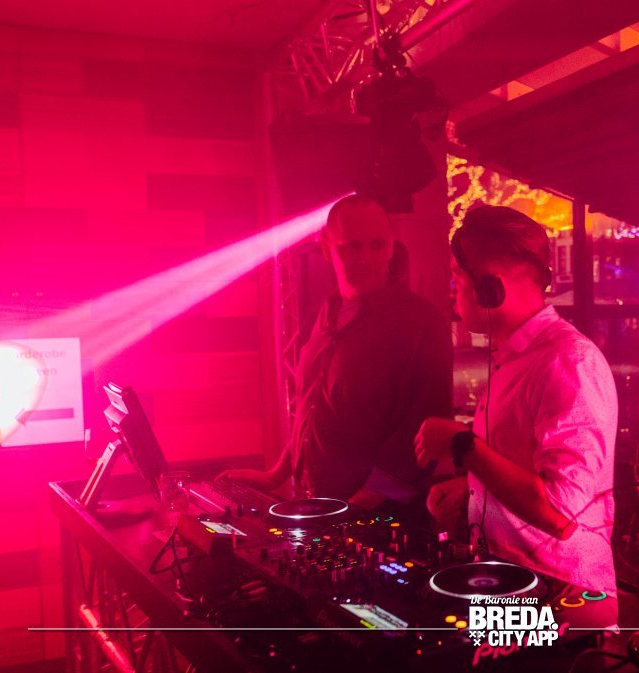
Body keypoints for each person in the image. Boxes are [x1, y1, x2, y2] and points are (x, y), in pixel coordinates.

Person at [414, 205, 619, 603]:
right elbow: (527, 468)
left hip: (564, 601)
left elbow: (562, 514)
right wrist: (474, 489)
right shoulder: (519, 358)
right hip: (519, 586)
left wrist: (462, 445)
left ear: (490, 288)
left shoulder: (569, 362)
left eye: (457, 278)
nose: (452, 292)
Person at [223, 194, 452, 511]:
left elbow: (423, 428)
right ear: (326, 248)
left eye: (377, 245)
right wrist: (276, 474)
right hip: (325, 506)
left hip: (380, 517)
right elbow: (313, 407)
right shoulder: (327, 313)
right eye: (352, 247)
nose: (366, 258)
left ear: (391, 246)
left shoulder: (420, 322)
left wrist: (357, 506)